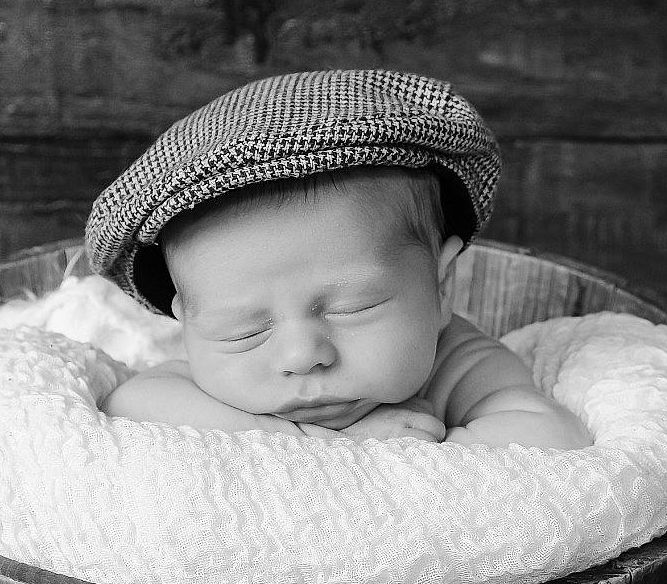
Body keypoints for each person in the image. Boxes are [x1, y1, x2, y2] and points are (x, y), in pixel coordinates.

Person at [88, 69, 591, 450]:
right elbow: (131, 404)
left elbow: (551, 436)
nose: (302, 355)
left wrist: (423, 466)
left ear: (441, 286)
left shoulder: (458, 364)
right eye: (242, 331)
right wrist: (319, 446)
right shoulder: (209, 385)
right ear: (188, 327)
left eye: (351, 307)